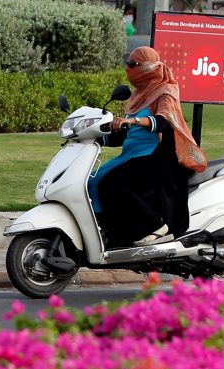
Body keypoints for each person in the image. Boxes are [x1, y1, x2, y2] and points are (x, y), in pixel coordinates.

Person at [88, 46, 207, 248]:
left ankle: (155, 225)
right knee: (93, 180)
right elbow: (127, 134)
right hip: (132, 155)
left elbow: (164, 121)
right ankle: (108, 231)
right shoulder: (138, 95)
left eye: (133, 64)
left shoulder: (165, 91)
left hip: (155, 157)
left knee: (113, 183)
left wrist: (133, 121)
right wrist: (93, 138)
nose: (128, 69)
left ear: (148, 67)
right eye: (128, 63)